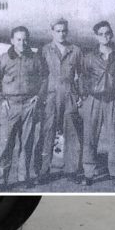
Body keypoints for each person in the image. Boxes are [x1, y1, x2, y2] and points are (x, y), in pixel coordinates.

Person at [0, 26, 48, 190]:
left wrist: (39, 96)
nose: (22, 43)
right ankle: (0, 181)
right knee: (6, 144)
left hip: (29, 104)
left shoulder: (35, 58)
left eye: (25, 39)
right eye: (19, 39)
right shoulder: (4, 59)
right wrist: (1, 99)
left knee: (26, 143)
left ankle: (23, 178)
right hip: (10, 105)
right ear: (12, 41)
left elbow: (44, 78)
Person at [76, 20, 115, 186]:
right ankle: (89, 174)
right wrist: (84, 96)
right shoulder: (89, 57)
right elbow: (83, 77)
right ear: (96, 36)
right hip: (93, 100)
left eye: (107, 33)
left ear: (111, 34)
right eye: (101, 34)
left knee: (113, 138)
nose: (104, 36)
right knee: (90, 137)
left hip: (112, 101)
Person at [36, 18, 82, 183]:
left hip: (69, 94)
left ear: (67, 32)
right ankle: (43, 171)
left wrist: (80, 96)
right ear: (52, 32)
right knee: (47, 132)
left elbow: (81, 75)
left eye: (64, 31)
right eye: (58, 31)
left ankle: (72, 170)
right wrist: (40, 96)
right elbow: (40, 76)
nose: (61, 34)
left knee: (72, 133)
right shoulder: (45, 50)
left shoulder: (75, 50)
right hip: (51, 95)